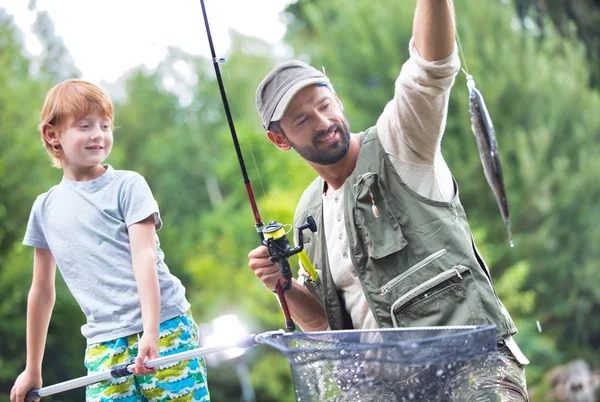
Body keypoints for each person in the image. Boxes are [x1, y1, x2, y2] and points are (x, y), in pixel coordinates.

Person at [248, 0, 529, 400]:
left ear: (338, 99)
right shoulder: (308, 213)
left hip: (473, 367)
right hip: (386, 391)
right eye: (303, 120)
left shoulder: (401, 142)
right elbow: (323, 326)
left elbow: (430, 72)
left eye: (324, 105)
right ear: (279, 140)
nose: (324, 122)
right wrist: (284, 285)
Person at [10, 79, 210, 402]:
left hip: (166, 327)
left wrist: (152, 331)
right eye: (85, 126)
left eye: (105, 125)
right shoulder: (44, 209)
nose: (98, 135)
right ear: (52, 134)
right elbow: (42, 292)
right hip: (104, 344)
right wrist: (33, 366)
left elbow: (144, 257)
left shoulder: (128, 186)